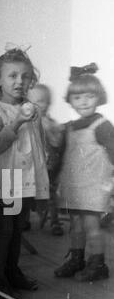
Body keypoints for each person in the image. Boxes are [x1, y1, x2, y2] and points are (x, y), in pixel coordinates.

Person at [0, 46, 49, 299]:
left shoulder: (33, 109)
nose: (20, 81)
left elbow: (37, 145)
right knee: (6, 230)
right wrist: (18, 121)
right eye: (12, 76)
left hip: (23, 182)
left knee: (18, 229)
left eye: (25, 76)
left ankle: (13, 271)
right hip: (2, 183)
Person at [54, 63, 114, 281]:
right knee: (76, 226)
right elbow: (62, 157)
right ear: (70, 100)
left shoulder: (102, 125)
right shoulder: (69, 127)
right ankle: (76, 259)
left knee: (91, 225)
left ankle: (98, 263)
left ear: (99, 97)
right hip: (74, 186)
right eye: (78, 98)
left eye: (90, 96)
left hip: (94, 186)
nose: (84, 102)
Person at [28, 84, 65, 235]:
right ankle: (24, 219)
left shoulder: (50, 123)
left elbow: (57, 144)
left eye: (42, 101)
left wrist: (55, 132)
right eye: (33, 102)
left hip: (48, 166)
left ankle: (54, 222)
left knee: (50, 195)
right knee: (26, 193)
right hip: (30, 166)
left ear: (48, 103)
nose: (37, 105)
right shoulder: (25, 123)